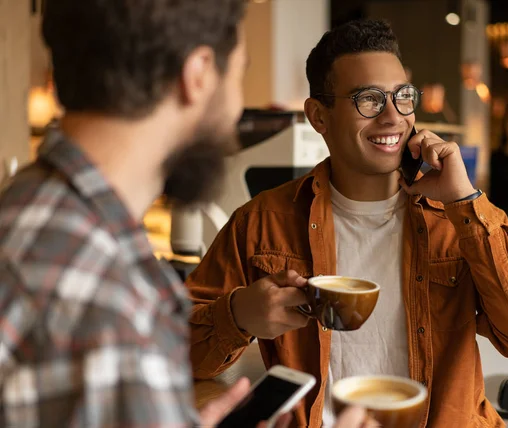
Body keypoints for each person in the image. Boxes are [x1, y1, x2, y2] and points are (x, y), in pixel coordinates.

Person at [185, 19, 508, 427]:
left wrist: (464, 199)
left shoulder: (455, 221)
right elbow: (171, 355)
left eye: (403, 97)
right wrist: (239, 315)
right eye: (369, 99)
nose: (393, 117)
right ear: (319, 116)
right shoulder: (262, 222)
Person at [0, 1, 365, 426]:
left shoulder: (29, 208)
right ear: (199, 74)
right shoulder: (103, 295)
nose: (234, 110)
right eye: (240, 73)